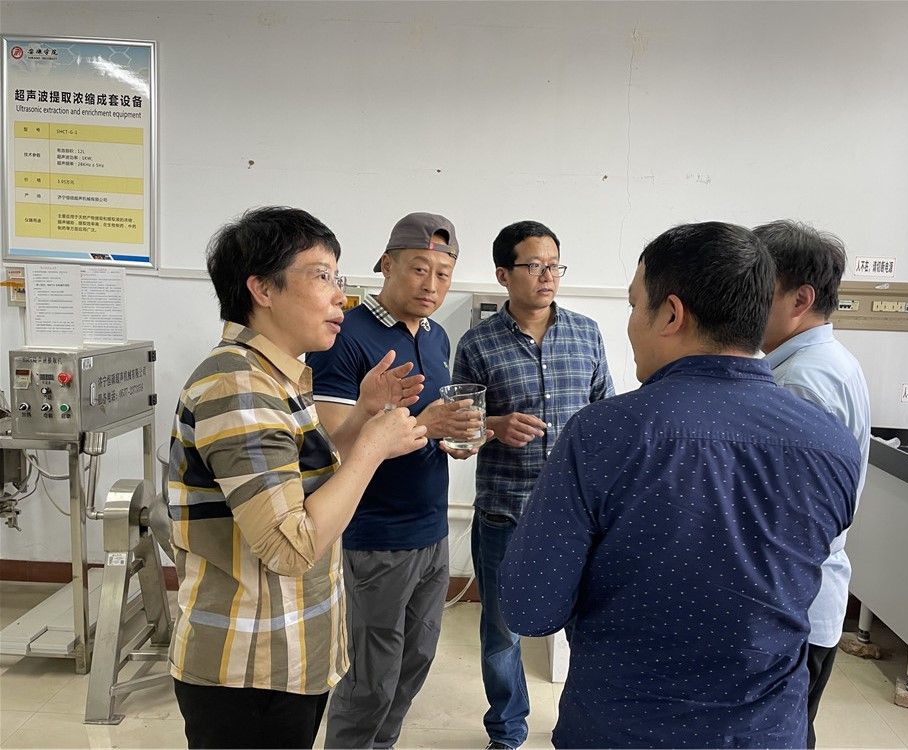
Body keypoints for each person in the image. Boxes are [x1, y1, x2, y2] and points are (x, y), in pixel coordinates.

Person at [498, 221, 862, 749]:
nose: (630, 324)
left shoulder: (603, 434)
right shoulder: (831, 443)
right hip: (764, 733)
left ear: (671, 314)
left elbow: (530, 606)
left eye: (633, 305)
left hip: (622, 730)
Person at [168, 206, 428, 749]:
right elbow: (290, 547)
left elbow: (297, 477)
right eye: (322, 276)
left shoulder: (275, 376)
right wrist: (374, 448)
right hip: (250, 667)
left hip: (286, 653)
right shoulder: (238, 387)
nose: (341, 297)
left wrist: (361, 415)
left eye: (338, 277)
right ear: (262, 288)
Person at [308, 212, 481, 749]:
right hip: (375, 534)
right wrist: (427, 424)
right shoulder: (344, 334)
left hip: (431, 529)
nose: (432, 285)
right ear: (386, 264)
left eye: (444, 274)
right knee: (370, 678)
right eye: (419, 269)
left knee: (415, 662)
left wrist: (451, 436)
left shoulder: (436, 336)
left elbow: (425, 428)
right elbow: (334, 447)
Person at [452, 220, 614, 750]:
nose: (547, 276)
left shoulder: (587, 333)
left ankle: (584, 726)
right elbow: (460, 430)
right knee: (502, 631)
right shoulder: (477, 344)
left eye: (554, 265)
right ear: (504, 274)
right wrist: (493, 425)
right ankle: (506, 731)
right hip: (506, 510)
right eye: (534, 265)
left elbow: (605, 414)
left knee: (586, 628)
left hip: (577, 516)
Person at [753, 220, 872, 749]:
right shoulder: (826, 363)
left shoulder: (801, 383)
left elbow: (786, 522)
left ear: (800, 299)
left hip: (793, 606)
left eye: (757, 289)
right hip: (807, 600)